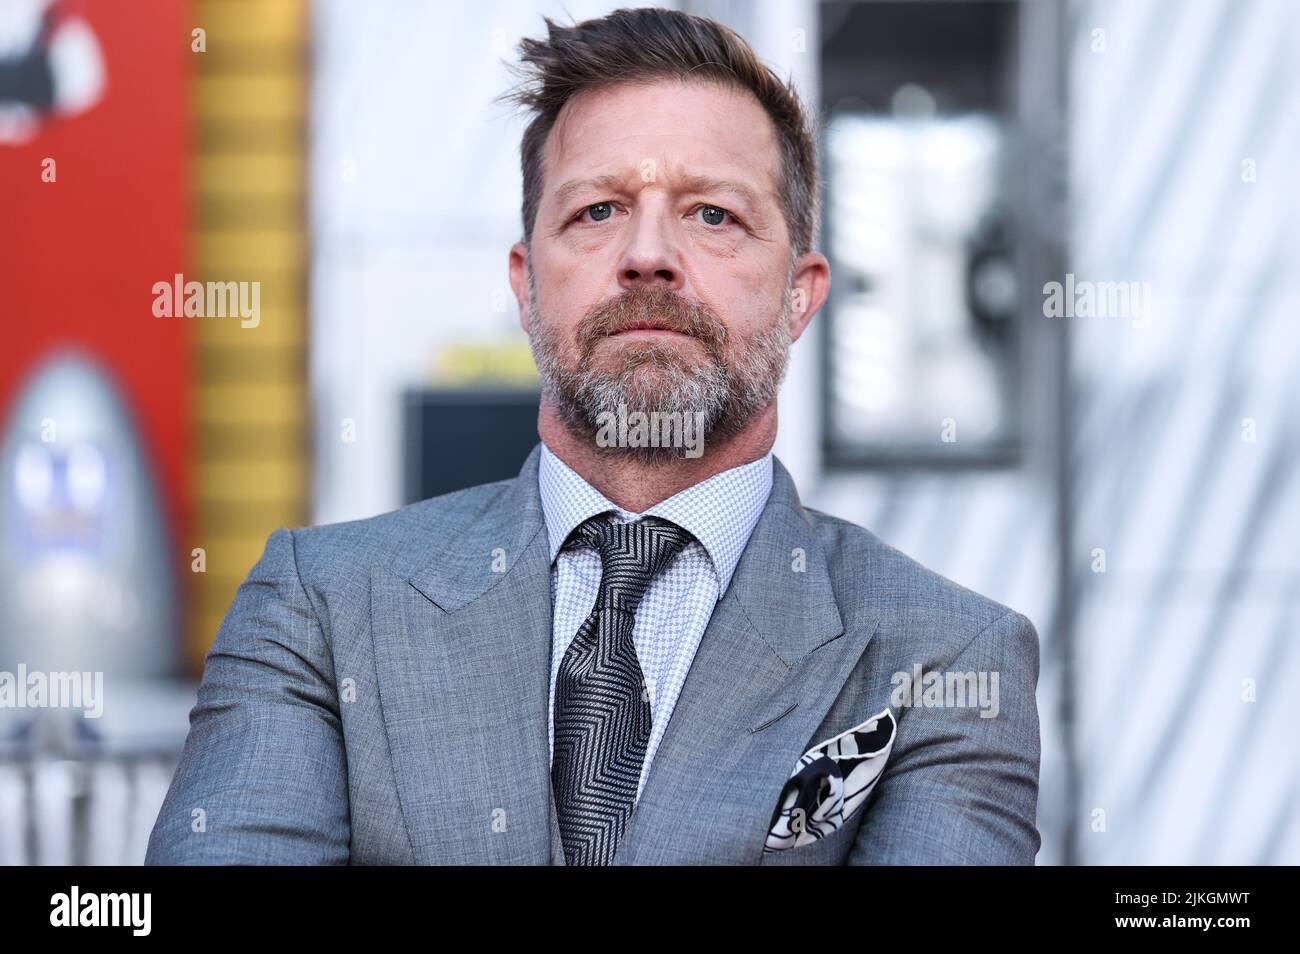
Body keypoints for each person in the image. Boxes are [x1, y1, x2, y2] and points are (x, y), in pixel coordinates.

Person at [147, 6, 1040, 866]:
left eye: (712, 215)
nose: (647, 254)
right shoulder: (321, 608)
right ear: (527, 284)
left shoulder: (949, 660)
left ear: (799, 294)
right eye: (598, 211)